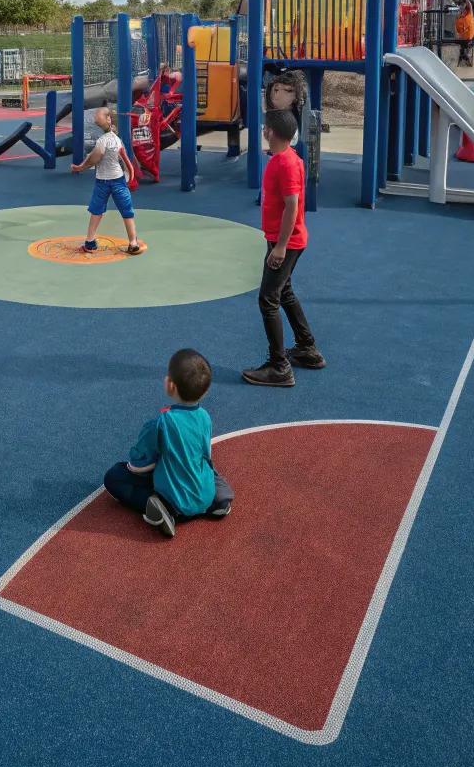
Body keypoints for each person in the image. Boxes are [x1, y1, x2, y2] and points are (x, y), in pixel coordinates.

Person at [103, 349, 232, 538]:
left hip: (174, 501)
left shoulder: (161, 423)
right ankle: (219, 501)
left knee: (114, 476)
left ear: (170, 385)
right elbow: (206, 456)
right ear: (205, 391)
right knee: (208, 471)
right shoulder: (205, 417)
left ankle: (159, 507)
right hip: (204, 495)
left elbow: (140, 466)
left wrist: (132, 467)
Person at [241, 107, 325, 387]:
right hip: (284, 238)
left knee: (268, 299)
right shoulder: (287, 158)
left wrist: (280, 247)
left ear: (271, 132)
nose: (263, 130)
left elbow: (292, 206)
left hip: (285, 242)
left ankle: (279, 366)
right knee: (284, 291)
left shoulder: (286, 164)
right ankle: (307, 348)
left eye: (265, 127)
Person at [71, 106, 142, 255]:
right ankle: (133, 242)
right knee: (126, 211)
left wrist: (81, 167)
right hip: (118, 180)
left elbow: (95, 157)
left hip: (103, 182)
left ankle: (90, 242)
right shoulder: (116, 140)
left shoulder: (103, 141)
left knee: (97, 211)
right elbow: (126, 160)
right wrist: (130, 177)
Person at [455, 0, 474, 68]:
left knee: (462, 45)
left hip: (466, 37)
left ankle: (464, 57)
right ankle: (464, 57)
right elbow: (458, 29)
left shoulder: (468, 15)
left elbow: (469, 6)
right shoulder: (464, 16)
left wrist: (466, 2)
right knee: (462, 46)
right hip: (466, 37)